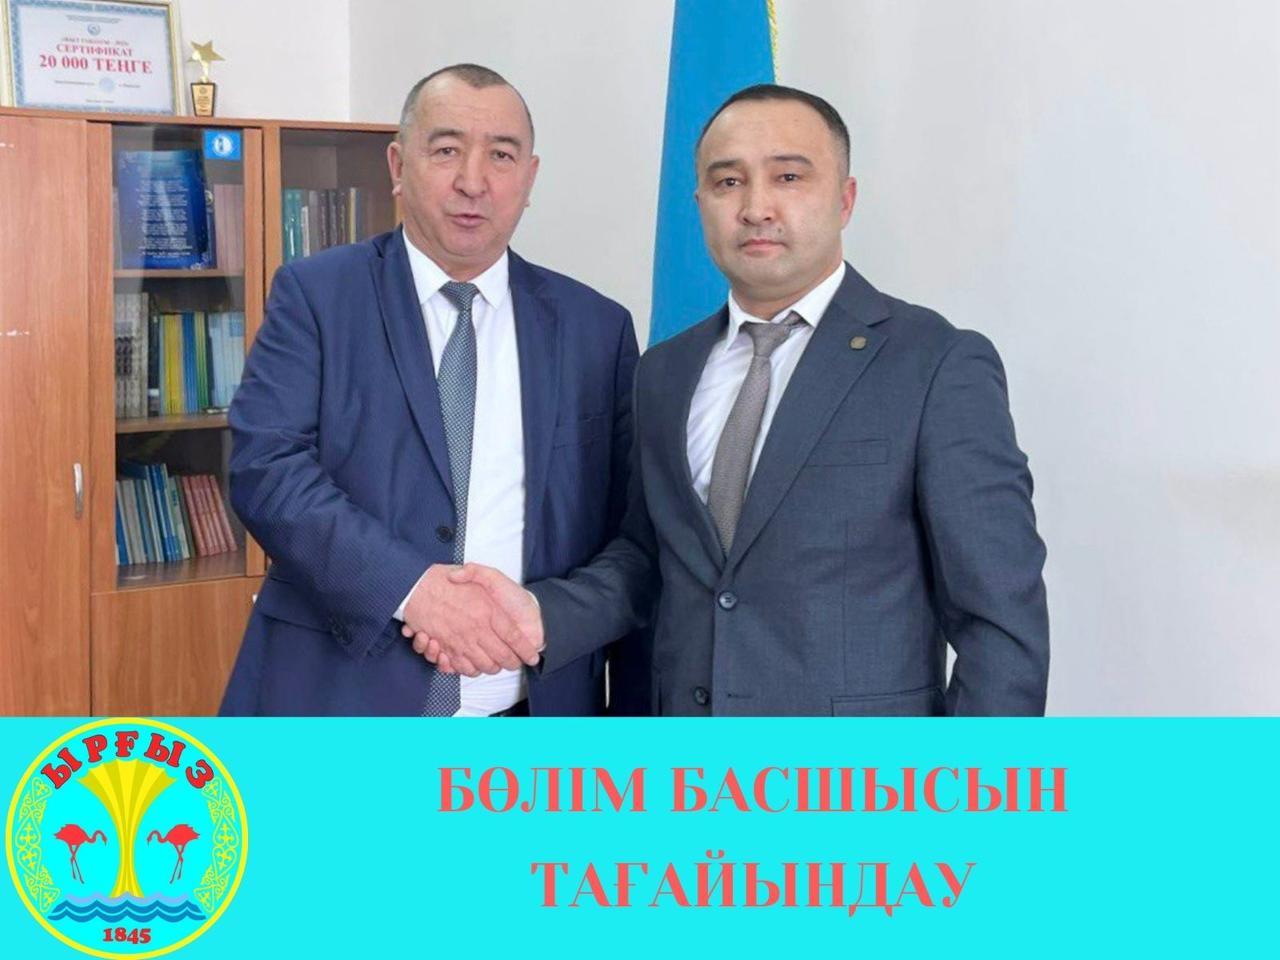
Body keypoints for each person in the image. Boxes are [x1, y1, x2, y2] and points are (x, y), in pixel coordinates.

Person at [428, 83, 1050, 715]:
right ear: (700, 203)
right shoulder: (663, 372)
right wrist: (541, 615)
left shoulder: (935, 364)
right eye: (728, 183)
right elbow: (647, 558)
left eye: (788, 177)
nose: (755, 208)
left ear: (845, 198)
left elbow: (1001, 621)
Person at [220, 63, 643, 716]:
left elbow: (634, 537)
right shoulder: (317, 295)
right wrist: (413, 590)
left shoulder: (597, 328)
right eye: (446, 150)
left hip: (536, 710)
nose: (473, 181)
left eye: (501, 155)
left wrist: (547, 615)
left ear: (529, 178)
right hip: (342, 703)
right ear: (398, 165)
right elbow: (266, 468)